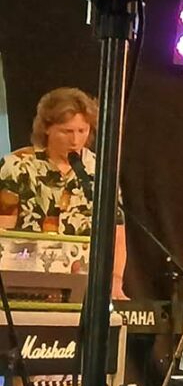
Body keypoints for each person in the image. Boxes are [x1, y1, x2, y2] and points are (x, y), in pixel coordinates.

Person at [0, 87, 127, 298]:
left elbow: (117, 233)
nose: (75, 140)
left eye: (82, 131)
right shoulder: (16, 167)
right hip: (27, 285)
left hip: (86, 288)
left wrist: (115, 281)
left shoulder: (101, 170)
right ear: (47, 128)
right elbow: (3, 232)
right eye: (67, 132)